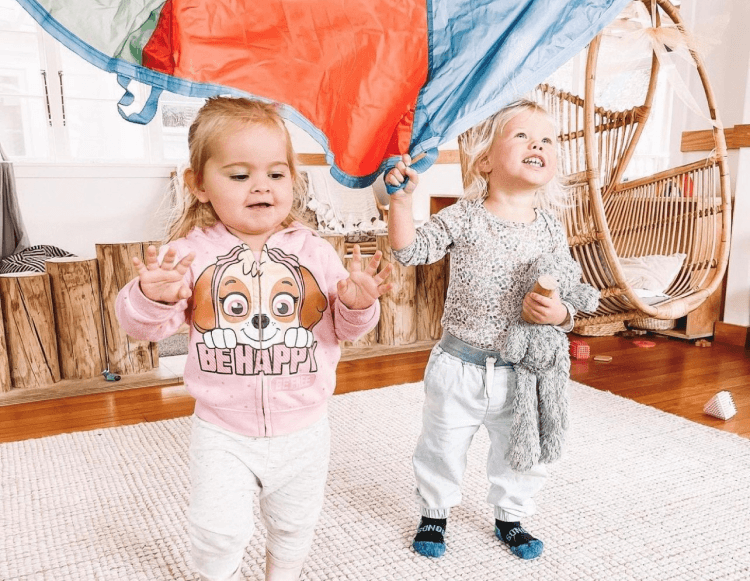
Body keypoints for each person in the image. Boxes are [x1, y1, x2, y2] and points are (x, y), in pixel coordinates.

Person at [116, 96, 393, 581]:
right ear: (199, 184)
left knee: (294, 524)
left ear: (293, 179)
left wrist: (357, 302)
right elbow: (143, 328)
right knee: (217, 530)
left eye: (276, 174)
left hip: (305, 428)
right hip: (222, 430)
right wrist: (152, 296)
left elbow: (342, 331)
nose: (261, 186)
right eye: (240, 175)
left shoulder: (316, 252)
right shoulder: (186, 256)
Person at [385, 98, 578, 561]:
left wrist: (561, 315)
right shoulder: (464, 216)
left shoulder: (552, 230)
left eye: (547, 140)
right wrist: (402, 202)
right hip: (459, 365)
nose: (538, 144)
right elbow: (411, 250)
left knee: (519, 451)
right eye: (522, 135)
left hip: (522, 372)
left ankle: (510, 516)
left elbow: (569, 290)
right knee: (441, 445)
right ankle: (434, 511)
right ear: (486, 160)